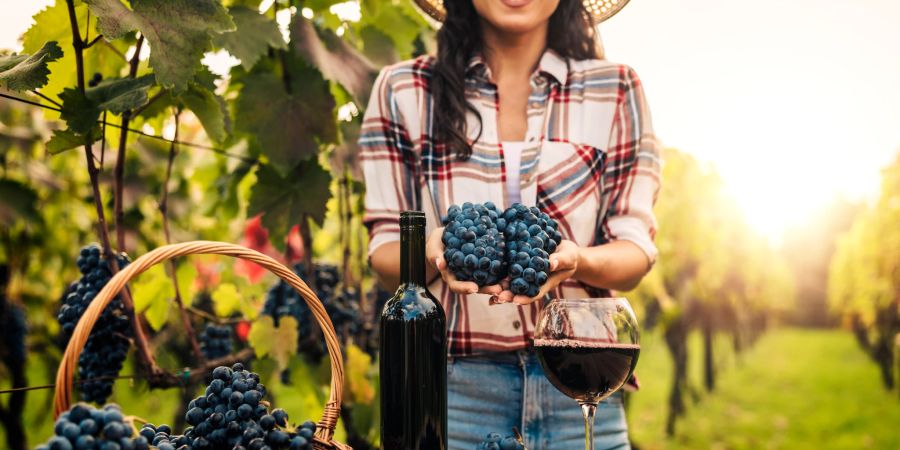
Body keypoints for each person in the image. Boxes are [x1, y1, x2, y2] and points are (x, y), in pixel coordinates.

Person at [360, 0, 660, 448]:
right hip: (453, 394)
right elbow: (386, 253)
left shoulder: (615, 88)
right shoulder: (404, 89)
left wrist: (576, 260)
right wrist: (433, 249)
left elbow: (634, 251)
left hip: (582, 384)